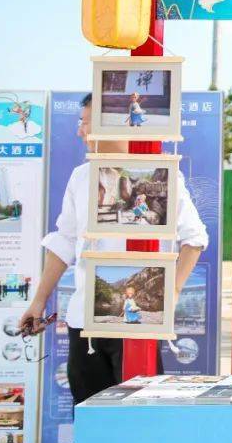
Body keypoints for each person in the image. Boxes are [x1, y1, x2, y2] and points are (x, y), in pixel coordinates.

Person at [20, 93, 208, 405]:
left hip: (137, 328)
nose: (80, 131)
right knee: (89, 414)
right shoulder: (81, 176)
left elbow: (194, 238)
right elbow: (64, 241)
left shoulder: (161, 174)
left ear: (111, 123)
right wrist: (38, 302)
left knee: (139, 417)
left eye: (85, 122)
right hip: (85, 323)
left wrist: (172, 294)